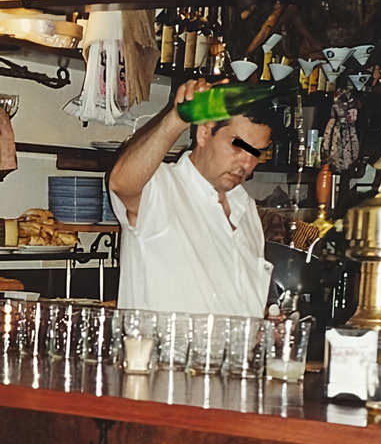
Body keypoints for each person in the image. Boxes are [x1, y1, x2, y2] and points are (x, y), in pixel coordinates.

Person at [109, 78, 274, 317]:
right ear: (205, 133)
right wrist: (177, 119)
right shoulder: (162, 187)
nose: (248, 163)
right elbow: (121, 182)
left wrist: (264, 328)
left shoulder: (245, 207)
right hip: (162, 354)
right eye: (238, 146)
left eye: (257, 152)